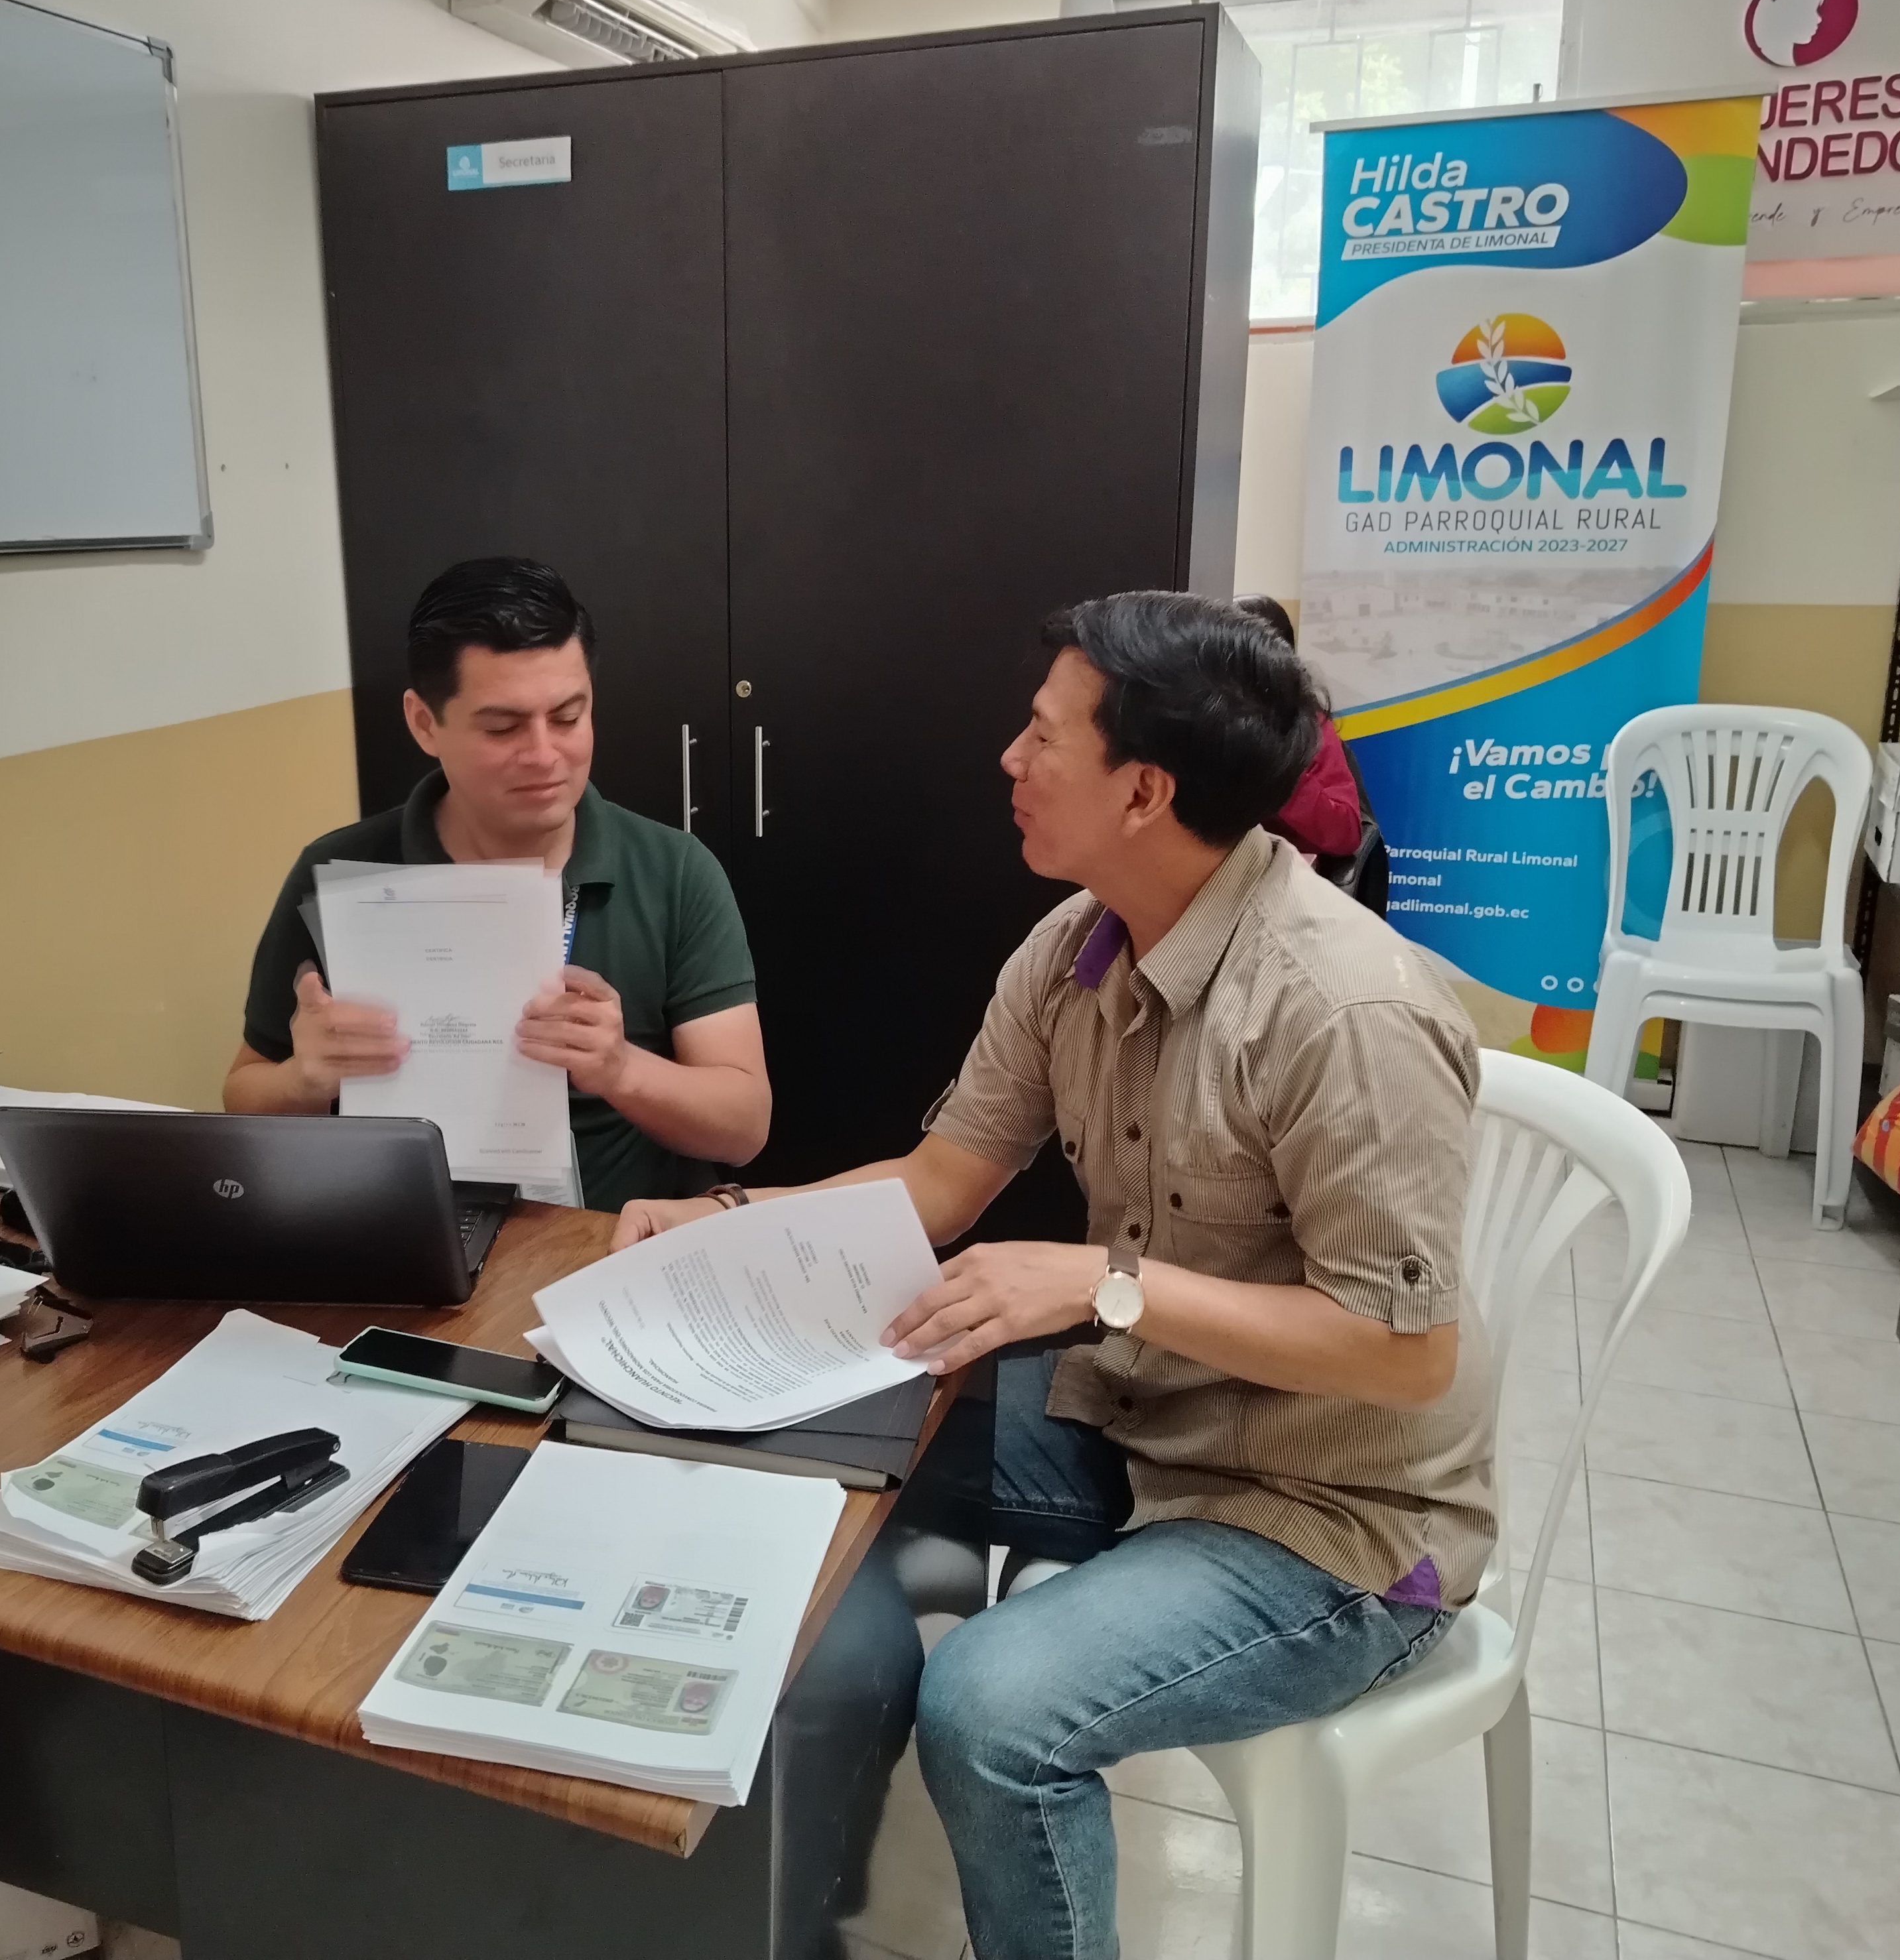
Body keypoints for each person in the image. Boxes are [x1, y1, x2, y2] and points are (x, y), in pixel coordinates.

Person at [612, 591, 1493, 1960]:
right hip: (1143, 1412)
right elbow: (938, 1185)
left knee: (989, 1710)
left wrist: (1100, 1286)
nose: (1007, 761)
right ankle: (778, 1891)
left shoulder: (1342, 1010)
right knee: (815, 1421)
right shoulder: (1075, 948)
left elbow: (1405, 1354)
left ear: (1143, 791)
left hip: (1334, 1519)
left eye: (1040, 736)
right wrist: (721, 1221)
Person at [225, 556, 769, 1212]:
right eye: (503, 728)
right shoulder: (341, 873)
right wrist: (304, 1081)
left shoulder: (673, 871)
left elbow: (744, 1129)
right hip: (404, 1228)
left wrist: (621, 1069)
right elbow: (243, 1097)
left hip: (607, 1243)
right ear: (424, 723)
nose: (543, 755)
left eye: (568, 717)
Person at [1234, 592, 1365, 860]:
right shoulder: (1202, 717)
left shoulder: (1308, 727)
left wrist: (1280, 769)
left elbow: (1346, 833)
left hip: (1281, 871)